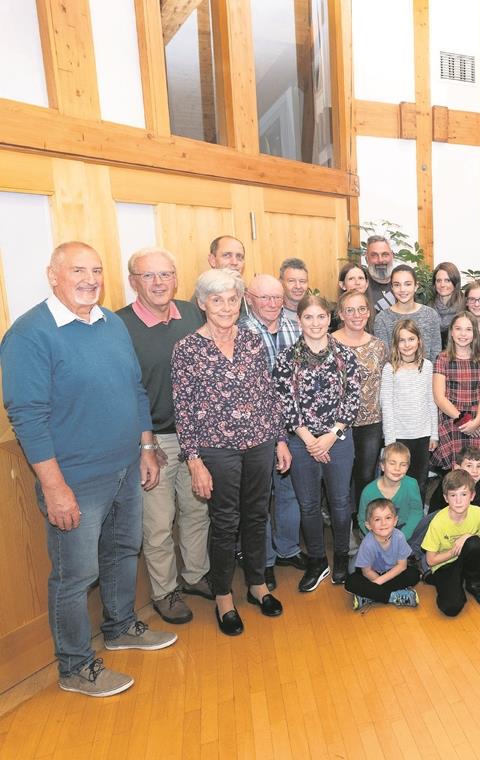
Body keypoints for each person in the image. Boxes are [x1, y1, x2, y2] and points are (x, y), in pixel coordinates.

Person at [1, 241, 175, 697]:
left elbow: (135, 390)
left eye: (96, 270)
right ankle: (75, 666)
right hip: (75, 480)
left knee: (121, 554)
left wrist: (145, 448)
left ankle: (119, 628)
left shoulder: (111, 323)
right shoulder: (29, 335)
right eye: (78, 269)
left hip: (125, 469)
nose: (89, 279)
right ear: (52, 274)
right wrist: (54, 487)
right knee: (74, 576)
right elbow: (28, 417)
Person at [172, 269, 290, 637]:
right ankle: (223, 595)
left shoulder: (253, 341)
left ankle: (257, 585)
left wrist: (280, 439)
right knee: (224, 524)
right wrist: (194, 460)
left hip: (259, 443)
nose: (226, 306)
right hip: (216, 450)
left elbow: (268, 394)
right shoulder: (187, 349)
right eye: (217, 299)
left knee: (256, 516)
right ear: (202, 303)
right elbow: (184, 408)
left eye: (232, 299)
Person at [116, 247, 208, 625]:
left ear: (176, 277)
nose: (158, 283)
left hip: (196, 437)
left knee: (198, 510)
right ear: (133, 281)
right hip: (153, 439)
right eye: (148, 276)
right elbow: (124, 389)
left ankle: (196, 575)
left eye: (165, 274)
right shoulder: (118, 325)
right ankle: (165, 592)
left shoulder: (191, 313)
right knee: (157, 523)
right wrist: (146, 444)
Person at [273, 294, 361, 589]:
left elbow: (352, 400)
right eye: (308, 317)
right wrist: (310, 439)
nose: (315, 323)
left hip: (338, 440)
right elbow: (285, 402)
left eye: (321, 317)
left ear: (329, 319)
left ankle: (340, 558)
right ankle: (316, 561)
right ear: (299, 321)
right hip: (302, 442)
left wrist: (330, 436)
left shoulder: (346, 356)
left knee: (339, 502)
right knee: (308, 504)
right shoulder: (286, 359)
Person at [240, 273, 304, 586]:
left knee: (289, 492)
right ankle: (263, 560)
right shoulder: (240, 331)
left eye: (276, 297)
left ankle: (288, 549)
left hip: (294, 425)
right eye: (264, 297)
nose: (271, 303)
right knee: (259, 497)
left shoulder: (296, 326)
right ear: (249, 298)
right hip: (258, 428)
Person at [332, 290, 388, 511]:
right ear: (341, 314)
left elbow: (385, 384)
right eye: (350, 310)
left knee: (366, 475)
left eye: (362, 309)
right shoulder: (328, 344)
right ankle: (341, 522)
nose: (357, 314)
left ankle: (362, 523)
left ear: (369, 313)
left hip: (370, 423)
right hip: (336, 425)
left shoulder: (378, 346)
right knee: (339, 478)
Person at [421, 470, 480, 616]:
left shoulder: (478, 513)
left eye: (464, 494)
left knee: (474, 542)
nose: (459, 501)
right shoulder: (438, 521)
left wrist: (468, 537)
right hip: (445, 565)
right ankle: (443, 580)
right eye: (453, 495)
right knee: (451, 608)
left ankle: (474, 582)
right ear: (446, 498)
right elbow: (430, 560)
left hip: (468, 561)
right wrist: (455, 550)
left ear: (472, 496)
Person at [381, 319, 438, 492]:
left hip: (422, 435)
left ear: (419, 340)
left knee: (419, 482)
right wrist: (390, 440)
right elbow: (387, 405)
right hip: (399, 435)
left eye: (411, 339)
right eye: (402, 340)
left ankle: (417, 517)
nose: (407, 344)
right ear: (396, 344)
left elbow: (431, 400)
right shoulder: (390, 369)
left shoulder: (427, 366)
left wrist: (433, 434)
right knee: (398, 483)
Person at [432, 311, 480, 469]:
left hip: (476, 421)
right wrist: (463, 420)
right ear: (451, 332)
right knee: (456, 470)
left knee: (476, 468)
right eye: (458, 329)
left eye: (468, 329)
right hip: (453, 419)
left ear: (475, 333)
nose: (463, 334)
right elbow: (439, 397)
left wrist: (477, 421)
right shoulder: (442, 358)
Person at [346, 499, 420, 611]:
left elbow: (402, 566)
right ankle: (394, 597)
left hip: (392, 573)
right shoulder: (368, 543)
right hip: (371, 575)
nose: (383, 523)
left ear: (395, 521)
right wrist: (377, 582)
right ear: (368, 525)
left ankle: (369, 596)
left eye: (388, 518)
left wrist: (377, 585)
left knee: (414, 574)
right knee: (350, 582)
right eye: (377, 519)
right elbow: (366, 571)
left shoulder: (399, 537)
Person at [372, 264, 443, 361]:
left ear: (416, 286)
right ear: (392, 288)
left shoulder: (430, 315)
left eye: (407, 284)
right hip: (393, 375)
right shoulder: (382, 318)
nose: (402, 289)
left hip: (426, 374)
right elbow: (384, 358)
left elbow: (436, 353)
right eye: (397, 285)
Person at [359, 442, 424, 543]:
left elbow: (416, 511)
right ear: (382, 466)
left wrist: (403, 536)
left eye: (403, 465)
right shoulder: (368, 492)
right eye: (392, 463)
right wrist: (377, 538)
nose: (397, 469)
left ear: (408, 467)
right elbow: (363, 520)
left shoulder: (412, 484)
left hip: (405, 528)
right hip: (378, 531)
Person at [430, 261, 464, 343]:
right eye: (438, 281)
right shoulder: (429, 309)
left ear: (455, 282)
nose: (442, 285)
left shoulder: (466, 307)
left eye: (447, 280)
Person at [362, 235, 396, 312]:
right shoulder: (360, 286)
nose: (380, 260)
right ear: (367, 259)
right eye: (374, 255)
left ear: (392, 256)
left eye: (385, 254)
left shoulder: (403, 284)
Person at [279, 257, 309, 323]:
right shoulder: (273, 315)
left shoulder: (314, 312)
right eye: (291, 281)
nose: (298, 286)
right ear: (281, 282)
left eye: (302, 281)